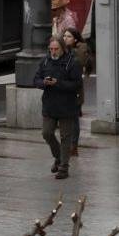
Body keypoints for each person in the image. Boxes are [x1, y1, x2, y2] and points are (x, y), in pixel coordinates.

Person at [34, 37, 82, 179]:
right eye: (51, 49)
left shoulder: (71, 63)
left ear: (63, 49)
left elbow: (77, 84)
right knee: (46, 133)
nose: (53, 52)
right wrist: (43, 83)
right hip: (50, 105)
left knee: (65, 136)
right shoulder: (45, 61)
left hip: (67, 105)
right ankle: (58, 157)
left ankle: (64, 167)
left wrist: (58, 83)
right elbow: (35, 79)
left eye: (56, 49)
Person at [62, 27, 93, 157]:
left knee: (74, 120)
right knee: (65, 119)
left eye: (68, 36)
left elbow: (79, 63)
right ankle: (67, 145)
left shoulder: (81, 49)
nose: (65, 38)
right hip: (63, 90)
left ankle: (73, 146)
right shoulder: (63, 49)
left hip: (75, 91)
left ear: (75, 38)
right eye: (64, 36)